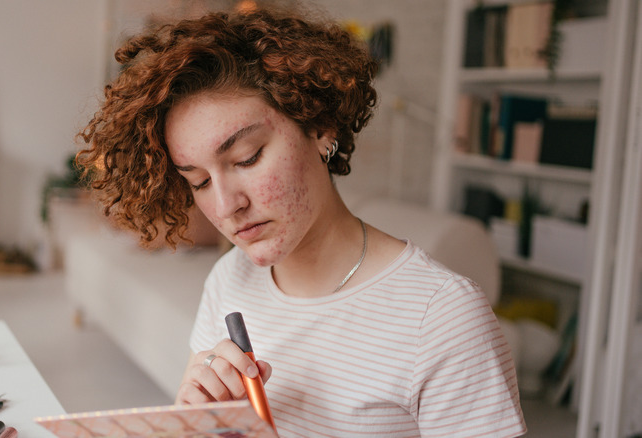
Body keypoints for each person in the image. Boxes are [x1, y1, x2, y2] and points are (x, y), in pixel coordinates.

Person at [77, 7, 526, 437]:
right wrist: (194, 419)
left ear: (320, 127)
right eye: (197, 181)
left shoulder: (441, 318)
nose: (225, 205)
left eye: (246, 157)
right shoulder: (227, 282)